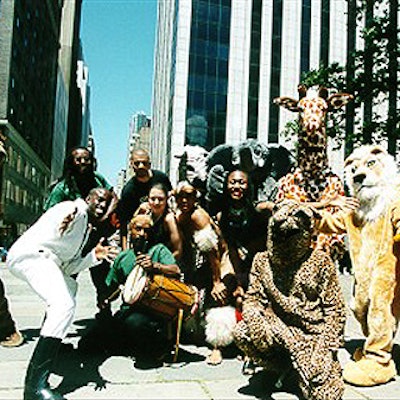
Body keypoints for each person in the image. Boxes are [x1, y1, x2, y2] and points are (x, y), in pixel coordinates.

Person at [7, 188, 119, 400]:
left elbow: (68, 268)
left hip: (44, 261)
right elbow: (71, 209)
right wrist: (75, 210)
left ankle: (49, 354)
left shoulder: (86, 229)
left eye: (107, 202)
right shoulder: (73, 209)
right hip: (31, 255)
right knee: (63, 304)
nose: (102, 204)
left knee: (69, 288)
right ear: (88, 198)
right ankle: (34, 388)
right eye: (99, 199)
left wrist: (95, 256)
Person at [44, 146, 118, 317]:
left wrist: (103, 218)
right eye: (78, 159)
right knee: (64, 285)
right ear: (71, 162)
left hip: (95, 242)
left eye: (87, 158)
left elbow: (113, 197)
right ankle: (52, 324)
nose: (83, 162)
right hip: (72, 245)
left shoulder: (97, 178)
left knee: (103, 282)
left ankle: (105, 316)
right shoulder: (62, 188)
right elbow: (50, 216)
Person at [207, 170, 271, 367]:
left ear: (248, 186)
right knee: (224, 291)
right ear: (226, 186)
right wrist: (239, 278)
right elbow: (231, 248)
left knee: (247, 298)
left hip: (258, 261)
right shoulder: (222, 214)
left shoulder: (258, 209)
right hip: (234, 259)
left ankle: (248, 346)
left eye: (242, 182)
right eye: (233, 182)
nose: (237, 187)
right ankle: (217, 346)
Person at [105, 214, 180, 362]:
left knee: (135, 323)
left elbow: (176, 270)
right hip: (128, 310)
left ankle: (157, 345)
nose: (142, 234)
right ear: (130, 230)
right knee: (91, 340)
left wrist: (155, 266)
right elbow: (111, 287)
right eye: (138, 229)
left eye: (147, 230)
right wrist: (105, 300)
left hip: (153, 311)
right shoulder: (123, 257)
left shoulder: (158, 250)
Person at [117, 149, 172, 250]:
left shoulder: (161, 178)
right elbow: (124, 223)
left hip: (165, 222)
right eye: (137, 163)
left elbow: (171, 196)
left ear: (149, 164)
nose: (141, 166)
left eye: (144, 163)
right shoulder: (128, 190)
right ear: (132, 165)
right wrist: (124, 251)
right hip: (144, 231)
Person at [135, 183, 182, 260]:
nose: (156, 203)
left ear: (166, 199)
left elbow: (178, 251)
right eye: (153, 199)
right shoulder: (146, 214)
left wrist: (161, 264)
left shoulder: (169, 219)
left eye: (160, 199)